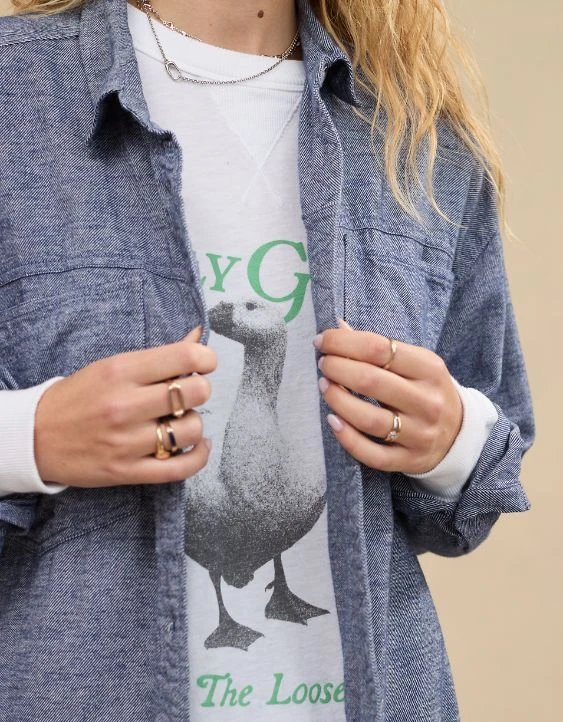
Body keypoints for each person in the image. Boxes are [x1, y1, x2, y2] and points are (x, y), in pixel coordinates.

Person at [0, 0, 535, 720]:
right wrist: (27, 439)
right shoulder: (17, 90)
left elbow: (481, 486)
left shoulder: (419, 137)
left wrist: (451, 438)